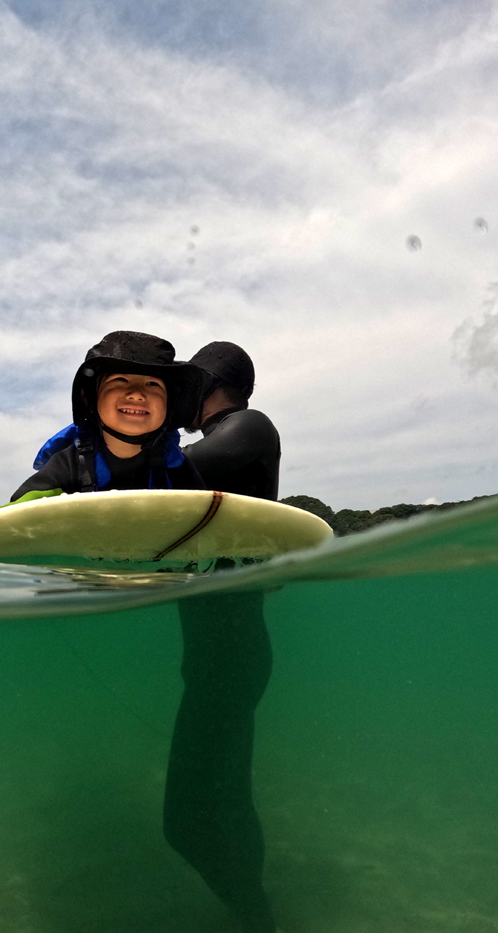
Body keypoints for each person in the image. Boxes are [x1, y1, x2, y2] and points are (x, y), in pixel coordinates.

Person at [163, 341, 281, 933]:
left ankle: (255, 915)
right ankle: (253, 911)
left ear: (207, 381)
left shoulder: (250, 429)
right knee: (217, 807)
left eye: (185, 384)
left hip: (231, 658)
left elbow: (174, 473)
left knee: (196, 817)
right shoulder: (219, 444)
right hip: (216, 661)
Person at [0, 330, 206, 553]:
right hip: (79, 578)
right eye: (119, 380)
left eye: (152, 385)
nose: (136, 394)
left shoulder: (175, 467)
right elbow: (13, 515)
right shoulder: (71, 465)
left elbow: (211, 522)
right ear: (90, 399)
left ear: (170, 405)